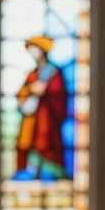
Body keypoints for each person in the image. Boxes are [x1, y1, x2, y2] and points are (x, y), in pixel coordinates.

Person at [15, 36, 68, 181]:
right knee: (29, 144)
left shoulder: (54, 73)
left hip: (48, 119)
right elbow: (22, 94)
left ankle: (49, 173)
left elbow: (60, 96)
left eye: (35, 50)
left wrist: (47, 90)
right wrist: (28, 92)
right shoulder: (32, 74)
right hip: (32, 120)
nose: (32, 54)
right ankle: (31, 171)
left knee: (46, 144)